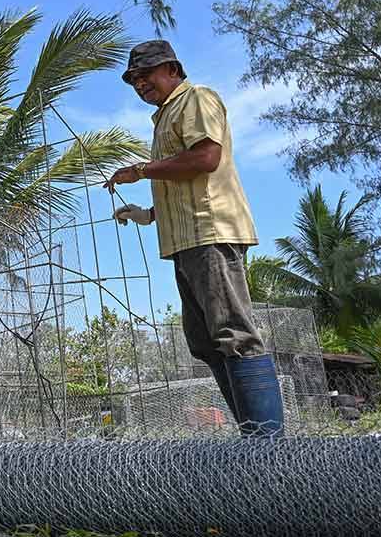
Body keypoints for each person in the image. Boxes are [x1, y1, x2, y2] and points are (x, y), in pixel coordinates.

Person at [103, 39, 284, 437]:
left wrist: (141, 170)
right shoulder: (164, 118)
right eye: (133, 79)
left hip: (210, 234)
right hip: (184, 243)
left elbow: (206, 159)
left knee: (234, 335)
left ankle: (269, 448)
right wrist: (146, 214)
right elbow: (183, 183)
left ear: (171, 68)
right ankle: (253, 436)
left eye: (146, 74)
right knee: (205, 343)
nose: (140, 84)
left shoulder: (196, 99)